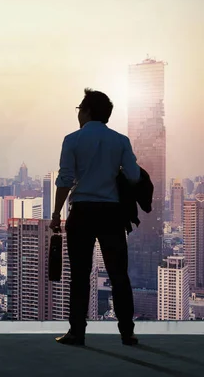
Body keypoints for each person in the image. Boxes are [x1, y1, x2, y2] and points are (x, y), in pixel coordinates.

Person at [50, 88, 141, 346]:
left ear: (87, 111)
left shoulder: (72, 140)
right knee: (118, 274)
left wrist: (57, 213)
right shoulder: (121, 141)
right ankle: (127, 333)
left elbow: (65, 179)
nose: (78, 113)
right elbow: (134, 176)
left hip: (82, 212)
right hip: (111, 213)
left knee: (79, 274)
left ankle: (77, 332)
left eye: (80, 108)